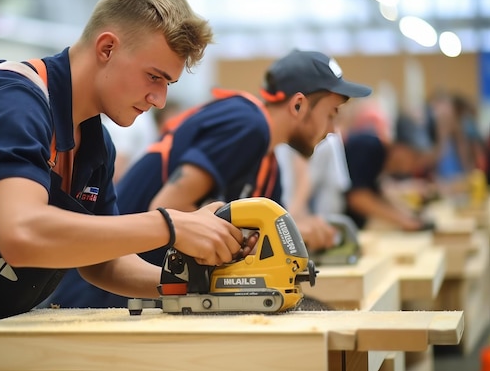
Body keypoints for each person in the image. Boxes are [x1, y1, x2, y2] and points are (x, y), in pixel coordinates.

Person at [0, 0, 253, 371]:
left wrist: (196, 289)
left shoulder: (95, 144)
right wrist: (171, 226)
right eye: (154, 76)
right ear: (107, 47)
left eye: (168, 83)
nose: (160, 98)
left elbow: (105, 263)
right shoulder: (14, 103)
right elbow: (21, 233)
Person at [44, 49, 373, 308]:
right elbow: (169, 205)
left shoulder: (267, 165)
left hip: (153, 293)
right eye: (331, 115)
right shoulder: (247, 124)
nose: (332, 131)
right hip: (100, 296)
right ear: (299, 105)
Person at [344, 111, 434, 231]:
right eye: (414, 156)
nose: (415, 165)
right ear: (398, 147)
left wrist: (408, 215)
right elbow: (358, 198)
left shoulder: (381, 161)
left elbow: (378, 195)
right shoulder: (367, 148)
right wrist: (403, 220)